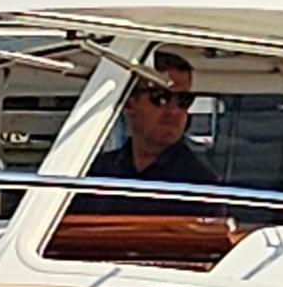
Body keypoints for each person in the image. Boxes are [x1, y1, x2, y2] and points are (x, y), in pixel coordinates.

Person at [90, 48, 217, 191]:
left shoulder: (200, 185)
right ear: (129, 103)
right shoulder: (94, 172)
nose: (174, 111)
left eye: (184, 100)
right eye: (160, 98)